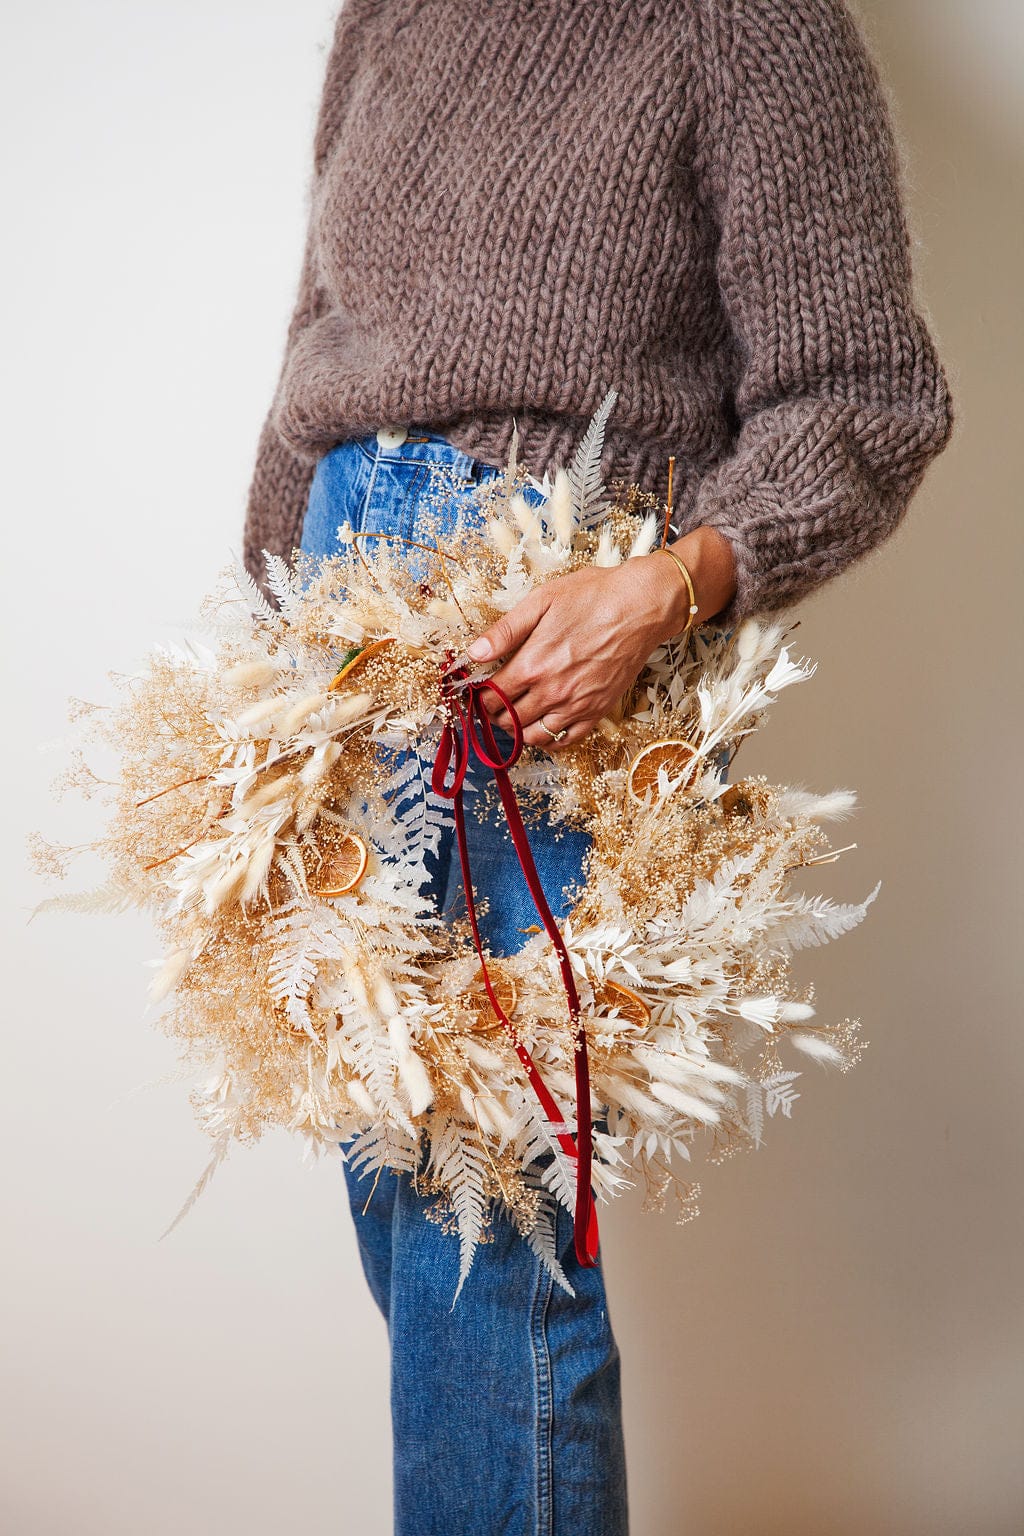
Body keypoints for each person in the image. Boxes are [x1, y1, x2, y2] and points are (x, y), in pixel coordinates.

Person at [242, 4, 954, 1532]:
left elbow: (869, 397)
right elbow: (320, 344)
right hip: (340, 638)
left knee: (490, 1224)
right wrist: (269, 671)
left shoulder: (746, 27)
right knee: (405, 1200)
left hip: (538, 648)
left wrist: (665, 590)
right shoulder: (394, 17)